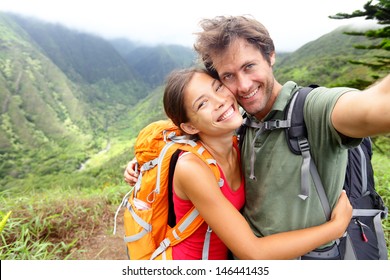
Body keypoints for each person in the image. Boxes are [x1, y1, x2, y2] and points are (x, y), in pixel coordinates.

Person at [125, 15, 390, 259]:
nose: (242, 86)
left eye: (249, 66)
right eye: (228, 76)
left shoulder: (313, 110)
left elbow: (373, 107)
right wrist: (146, 165)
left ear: (271, 55)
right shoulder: (240, 128)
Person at [143, 67, 352, 260]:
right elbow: (254, 252)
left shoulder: (238, 144)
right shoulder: (193, 168)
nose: (220, 100)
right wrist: (335, 228)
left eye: (218, 87)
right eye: (202, 103)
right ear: (189, 127)